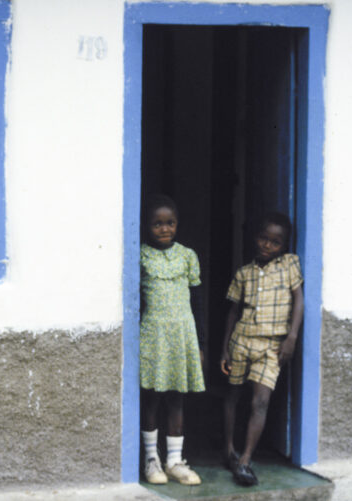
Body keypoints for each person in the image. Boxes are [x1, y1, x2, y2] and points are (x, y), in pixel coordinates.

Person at [220, 212, 304, 486]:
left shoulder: (289, 264)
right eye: (263, 239)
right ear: (255, 237)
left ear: (284, 245)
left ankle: (245, 460)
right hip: (241, 341)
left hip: (272, 346)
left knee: (260, 401)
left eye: (275, 242)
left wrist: (292, 337)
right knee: (232, 394)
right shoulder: (243, 273)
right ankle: (229, 450)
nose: (267, 245)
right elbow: (233, 312)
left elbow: (299, 299)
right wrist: (225, 349)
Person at [140, 194, 205, 486]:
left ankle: (175, 461)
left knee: (177, 398)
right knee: (152, 398)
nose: (164, 229)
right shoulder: (141, 255)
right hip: (153, 337)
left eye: (170, 223)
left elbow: (198, 301)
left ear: (177, 224)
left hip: (182, 336)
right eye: (157, 224)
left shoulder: (188, 256)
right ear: (147, 226)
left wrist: (200, 343)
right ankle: (151, 460)